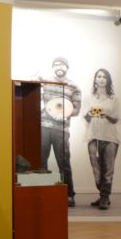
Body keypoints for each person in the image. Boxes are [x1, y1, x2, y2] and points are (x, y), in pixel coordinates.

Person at [40, 57, 82, 207]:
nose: (59, 66)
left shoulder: (73, 87)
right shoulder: (45, 82)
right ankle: (42, 192)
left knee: (63, 163)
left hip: (61, 129)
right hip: (43, 126)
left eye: (62, 64)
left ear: (67, 67)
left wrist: (65, 113)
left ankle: (69, 195)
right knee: (41, 161)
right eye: (56, 64)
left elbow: (77, 109)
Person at [81, 69, 121, 210]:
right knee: (97, 170)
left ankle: (104, 197)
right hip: (93, 136)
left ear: (108, 80)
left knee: (108, 170)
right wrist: (90, 113)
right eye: (99, 76)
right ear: (95, 79)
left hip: (110, 137)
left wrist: (105, 114)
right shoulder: (88, 97)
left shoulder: (113, 99)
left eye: (104, 77)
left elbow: (116, 119)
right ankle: (103, 194)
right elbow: (84, 117)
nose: (102, 79)